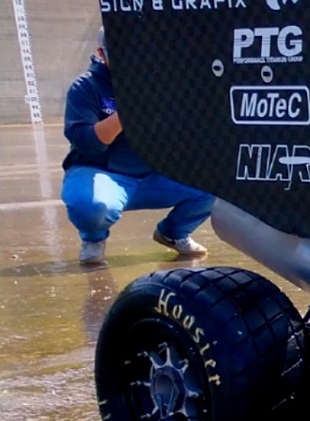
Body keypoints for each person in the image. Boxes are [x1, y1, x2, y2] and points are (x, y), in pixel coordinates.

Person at [62, 31, 213, 265]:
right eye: (120, 55)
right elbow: (86, 143)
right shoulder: (86, 87)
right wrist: (128, 113)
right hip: (101, 172)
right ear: (102, 54)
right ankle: (94, 239)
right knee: (92, 205)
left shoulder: (166, 84)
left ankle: (173, 232)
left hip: (156, 173)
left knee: (220, 182)